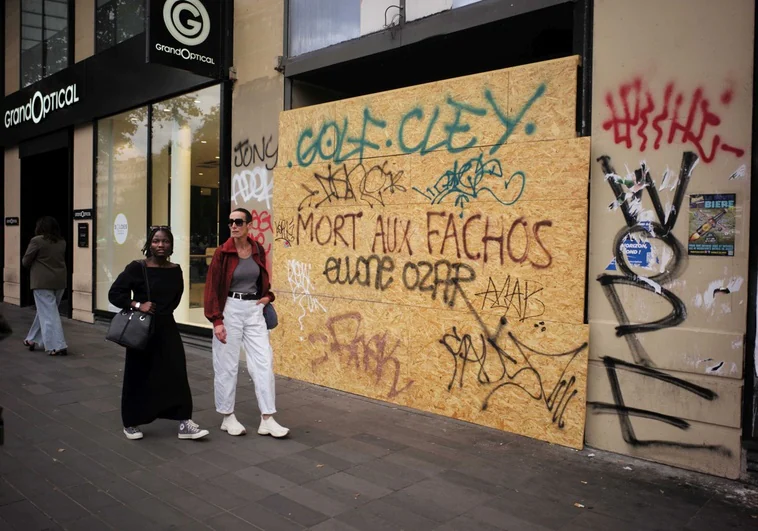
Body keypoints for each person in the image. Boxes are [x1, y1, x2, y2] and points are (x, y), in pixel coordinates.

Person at [108, 226, 209, 441]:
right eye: (156, 241)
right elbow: (115, 294)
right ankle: (131, 422)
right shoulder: (137, 268)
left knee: (176, 372)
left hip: (166, 327)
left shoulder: (175, 269)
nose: (160, 245)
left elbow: (176, 298)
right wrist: (137, 304)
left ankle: (184, 422)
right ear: (149, 244)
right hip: (142, 328)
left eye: (165, 241)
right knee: (138, 374)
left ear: (171, 245)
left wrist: (162, 312)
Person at [204, 208, 288, 438]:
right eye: (230, 222)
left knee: (263, 361)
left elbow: (264, 280)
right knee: (226, 365)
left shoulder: (257, 249)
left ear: (248, 224)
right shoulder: (223, 253)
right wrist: (217, 320)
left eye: (238, 221)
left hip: (253, 310)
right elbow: (211, 289)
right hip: (230, 309)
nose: (233, 225)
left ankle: (267, 418)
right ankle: (227, 416)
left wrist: (267, 298)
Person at [22, 216, 68, 356]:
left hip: (42, 282)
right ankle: (32, 339)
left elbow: (25, 261)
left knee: (49, 315)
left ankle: (57, 345)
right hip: (59, 282)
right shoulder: (62, 242)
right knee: (47, 311)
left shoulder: (37, 241)